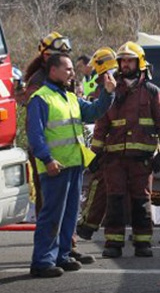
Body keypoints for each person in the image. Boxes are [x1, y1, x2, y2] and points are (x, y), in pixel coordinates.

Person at [27, 53, 116, 277]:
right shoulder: (41, 99)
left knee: (69, 213)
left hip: (74, 164)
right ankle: (42, 262)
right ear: (53, 71)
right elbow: (35, 136)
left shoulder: (70, 97)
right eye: (67, 69)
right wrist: (47, 159)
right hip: (55, 167)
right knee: (52, 215)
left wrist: (108, 93)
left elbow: (95, 111)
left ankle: (62, 255)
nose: (72, 73)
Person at [91, 41, 160, 258]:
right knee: (115, 199)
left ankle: (143, 242)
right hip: (114, 158)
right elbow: (101, 123)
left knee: (141, 201)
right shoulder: (109, 90)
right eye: (123, 61)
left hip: (142, 159)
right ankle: (113, 243)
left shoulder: (151, 92)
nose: (126, 64)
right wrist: (95, 153)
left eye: (130, 60)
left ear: (140, 63)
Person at [22, 31, 94, 264]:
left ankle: (64, 250)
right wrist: (46, 157)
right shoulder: (39, 86)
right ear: (48, 60)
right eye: (60, 56)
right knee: (52, 209)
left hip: (71, 159)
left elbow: (82, 111)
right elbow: (37, 129)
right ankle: (45, 258)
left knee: (70, 209)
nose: (68, 65)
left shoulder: (63, 86)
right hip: (51, 158)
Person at [76, 47, 119, 241]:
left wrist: (94, 152)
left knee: (100, 186)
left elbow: (101, 122)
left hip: (113, 147)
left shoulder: (108, 84)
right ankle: (88, 226)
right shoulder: (117, 82)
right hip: (122, 146)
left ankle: (87, 226)